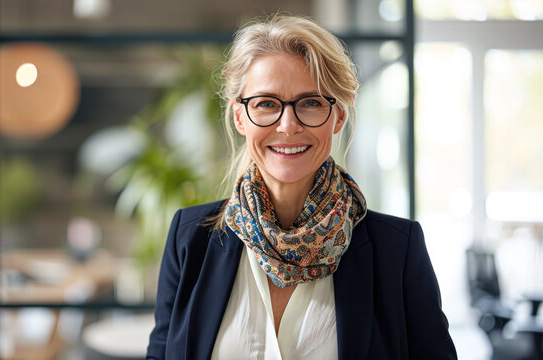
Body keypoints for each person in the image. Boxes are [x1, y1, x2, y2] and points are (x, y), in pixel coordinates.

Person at [146, 15, 457, 360]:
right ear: (239, 117)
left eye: (310, 102)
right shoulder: (190, 239)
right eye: (266, 103)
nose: (288, 125)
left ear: (338, 117)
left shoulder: (397, 250)